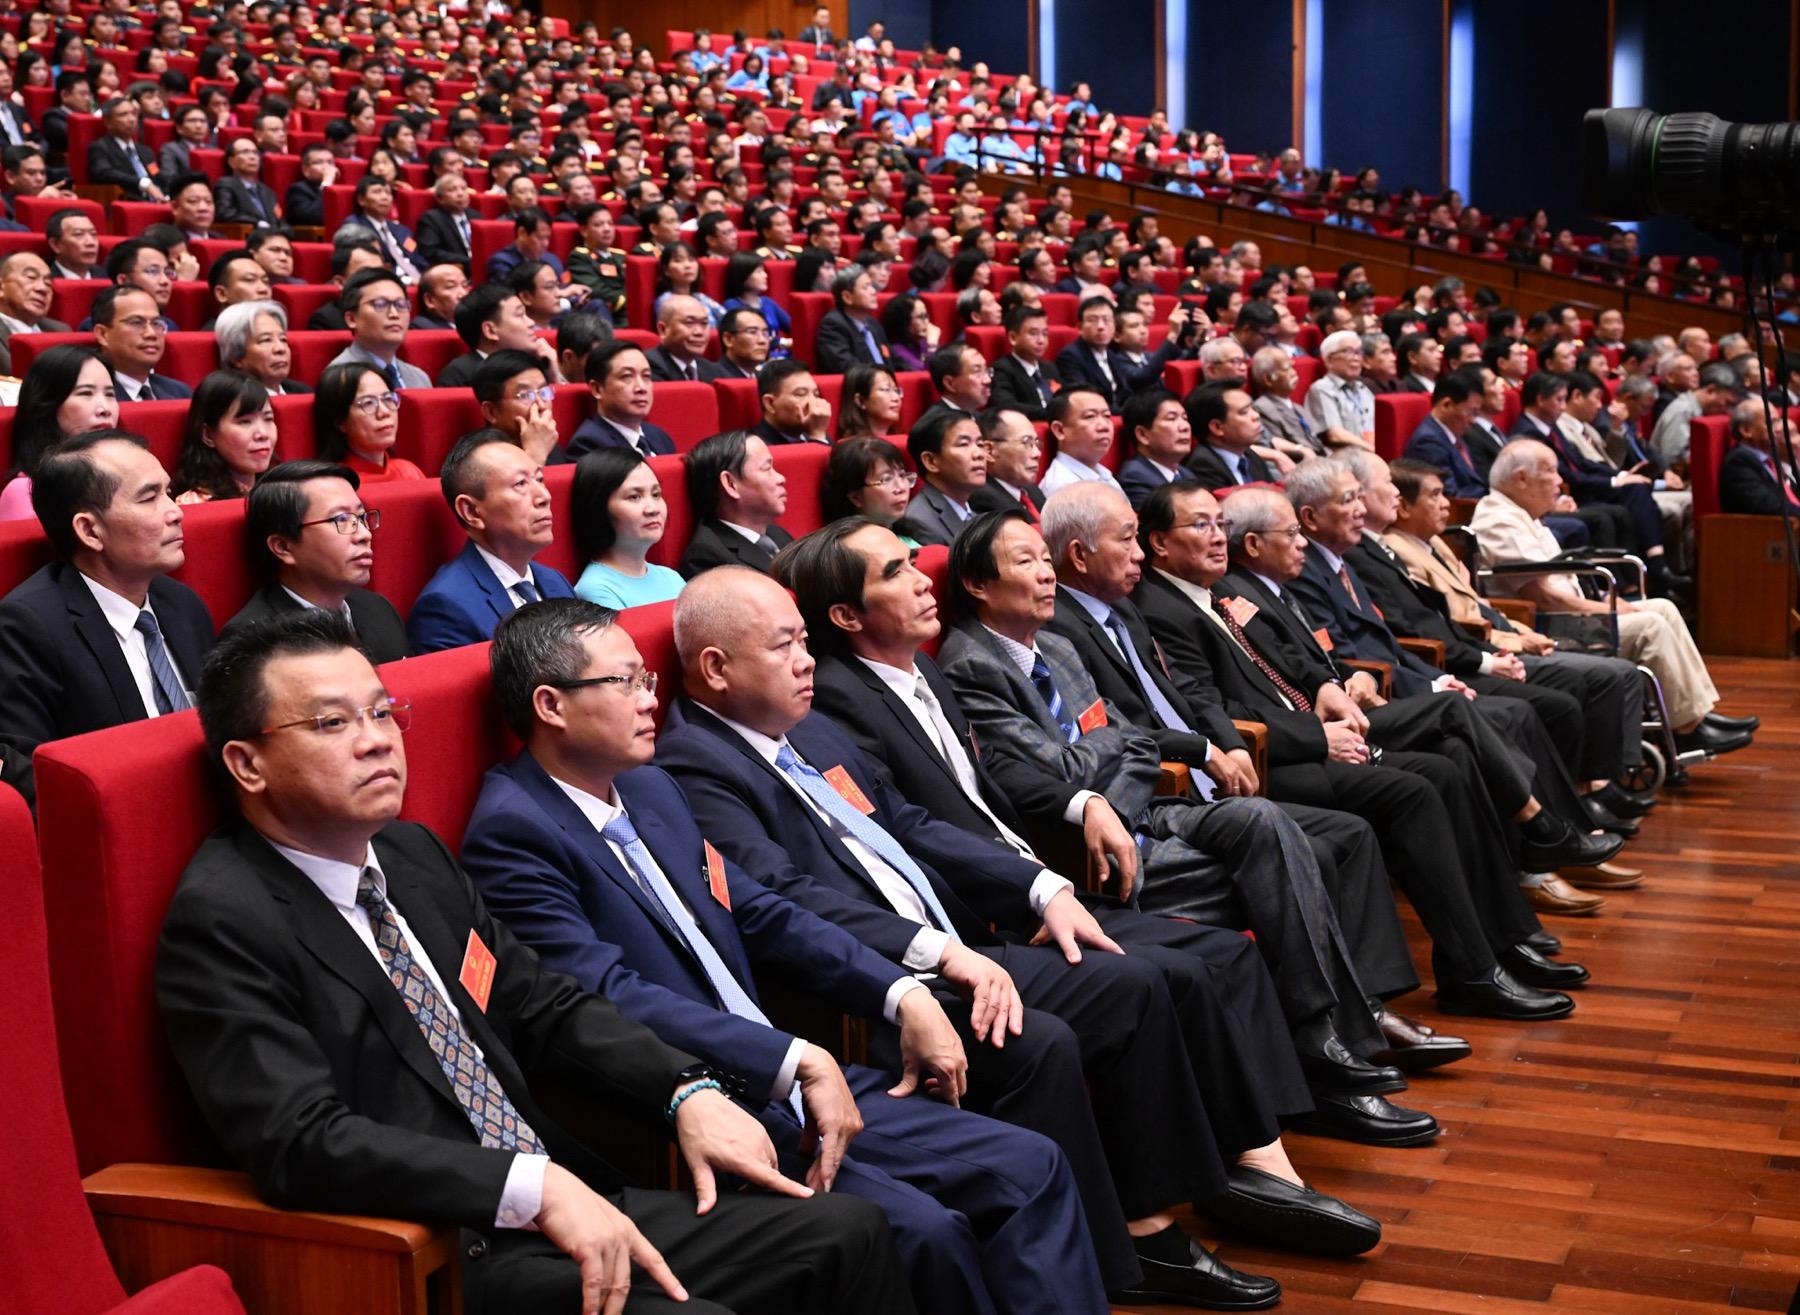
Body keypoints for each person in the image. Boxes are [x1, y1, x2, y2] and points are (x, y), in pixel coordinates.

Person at [657, 565, 1377, 1306]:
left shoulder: (806, 726)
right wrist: (938, 956)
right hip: (875, 983)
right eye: (784, 646)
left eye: (806, 642)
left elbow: (907, 823)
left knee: (1140, 982)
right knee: (1047, 1037)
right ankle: (1120, 1255)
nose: (807, 661)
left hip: (956, 939)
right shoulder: (695, 762)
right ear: (716, 667)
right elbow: (784, 899)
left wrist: (1042, 885)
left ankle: (1179, 1206)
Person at [159, 609, 911, 1315]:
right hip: (439, 1248)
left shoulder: (410, 856)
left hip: (565, 1193)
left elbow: (541, 1003)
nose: (377, 740)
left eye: (383, 713)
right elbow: (301, 1140)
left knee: (847, 1230)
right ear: (247, 764)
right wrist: (528, 1184)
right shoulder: (226, 917)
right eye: (333, 722)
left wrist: (684, 1088)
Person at [462, 599, 1114, 1315]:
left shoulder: (647, 788)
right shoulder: (515, 834)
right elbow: (608, 994)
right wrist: (791, 1056)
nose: (651, 699)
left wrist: (902, 992)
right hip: (702, 1105)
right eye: (624, 682)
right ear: (551, 705)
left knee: (1033, 1164)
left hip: (791, 1073)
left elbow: (762, 912)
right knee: (929, 1232)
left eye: (646, 678)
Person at [928, 508, 1440, 1147]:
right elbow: (1065, 769)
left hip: (1142, 812)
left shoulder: (1055, 644)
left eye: (1044, 558)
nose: (1046, 573)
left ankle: (1324, 1036)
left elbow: (1129, 735)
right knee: (1291, 873)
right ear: (978, 583)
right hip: (1091, 851)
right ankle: (1331, 1051)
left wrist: (1133, 759)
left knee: (1264, 822)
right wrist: (1116, 759)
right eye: (1025, 561)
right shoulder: (971, 664)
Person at [1132, 479, 1583, 1017]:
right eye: (1201, 525)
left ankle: (1498, 943)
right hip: (1277, 758)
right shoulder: (1162, 608)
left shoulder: (1219, 590)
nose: (1216, 536)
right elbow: (1213, 710)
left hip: (1314, 724)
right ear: (1160, 542)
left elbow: (1287, 658)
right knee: (1421, 780)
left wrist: (1328, 685)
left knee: (1451, 763)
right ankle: (1476, 961)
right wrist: (1318, 737)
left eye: (1220, 524)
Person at [1473, 440, 1755, 758]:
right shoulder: (1499, 520)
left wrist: (1602, 598)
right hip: (1548, 627)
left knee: (1664, 608)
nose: (1560, 480)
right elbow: (1544, 598)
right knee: (1650, 626)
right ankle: (1687, 731)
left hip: (1569, 616)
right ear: (1521, 479)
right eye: (1550, 471)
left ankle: (1696, 716)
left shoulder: (1523, 514)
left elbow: (1561, 580)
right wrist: (1607, 609)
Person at [0, 430, 214, 808]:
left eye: (168, 492)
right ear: (90, 530)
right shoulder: (28, 627)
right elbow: (31, 775)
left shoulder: (182, 604)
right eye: (149, 498)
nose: (175, 511)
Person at [223, 459, 410, 663]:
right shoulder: (254, 641)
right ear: (283, 547)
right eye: (341, 519)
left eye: (361, 517)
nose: (365, 534)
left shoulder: (378, 609)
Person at [407, 429, 574, 654]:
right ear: (471, 511)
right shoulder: (445, 608)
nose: (544, 496)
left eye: (539, 479)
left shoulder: (555, 581)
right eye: (520, 484)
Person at [0, 344, 118, 520]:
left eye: (110, 394)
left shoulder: (128, 475)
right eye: (86, 393)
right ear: (48, 404)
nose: (105, 409)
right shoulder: (25, 493)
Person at [569, 448, 684, 609]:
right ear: (598, 507)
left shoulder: (671, 577)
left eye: (656, 494)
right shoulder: (596, 589)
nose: (652, 509)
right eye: (634, 497)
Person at [680, 430, 791, 578]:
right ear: (730, 484)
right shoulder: (708, 558)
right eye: (766, 469)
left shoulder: (777, 534)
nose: (781, 478)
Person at [172, 369, 277, 503]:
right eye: (244, 422)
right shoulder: (195, 504)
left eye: (268, 419)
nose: (263, 434)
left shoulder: (284, 490)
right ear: (208, 435)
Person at [312, 361, 425, 484]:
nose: (384, 412)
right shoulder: (334, 484)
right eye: (368, 403)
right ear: (340, 421)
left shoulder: (409, 471)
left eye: (388, 399)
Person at [568, 340, 676, 460]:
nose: (641, 388)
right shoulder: (588, 445)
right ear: (597, 389)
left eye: (646, 376)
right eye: (627, 376)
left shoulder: (659, 436)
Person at [326, 267, 432, 389]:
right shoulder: (340, 378)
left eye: (401, 305)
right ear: (352, 319)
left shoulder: (419, 377)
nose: (394, 314)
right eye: (380, 304)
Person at [440, 283, 560, 390]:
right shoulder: (459, 375)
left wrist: (554, 376)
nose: (531, 323)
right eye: (519, 315)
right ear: (490, 331)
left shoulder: (536, 364)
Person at [903, 410, 987, 546]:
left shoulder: (977, 512)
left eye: (980, 444)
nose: (979, 454)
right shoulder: (920, 521)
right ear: (931, 461)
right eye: (964, 444)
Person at [92, 284, 190, 401]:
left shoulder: (179, 392)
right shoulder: (89, 396)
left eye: (156, 323)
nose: (151, 333)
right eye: (136, 322)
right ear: (103, 334)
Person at [1184, 383, 1280, 489]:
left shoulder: (1249, 455)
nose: (1256, 415)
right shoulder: (1204, 466)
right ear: (1217, 427)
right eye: (1244, 412)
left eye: (1252, 408)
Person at [1117, 387, 1196, 510]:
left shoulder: (1186, 474)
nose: (1185, 427)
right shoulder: (1135, 477)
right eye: (1171, 418)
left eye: (1185, 418)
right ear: (1143, 435)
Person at [1719, 397, 1800, 516]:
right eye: (1771, 423)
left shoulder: (1769, 457)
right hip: (1763, 526)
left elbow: (1792, 494)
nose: (1778, 429)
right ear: (1746, 431)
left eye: (1778, 422)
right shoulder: (1739, 461)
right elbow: (1766, 505)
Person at [1053, 297, 1131, 414]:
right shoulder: (1070, 356)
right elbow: (1083, 397)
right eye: (1093, 320)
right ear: (1080, 327)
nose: (1101, 326)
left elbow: (1125, 392)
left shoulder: (1111, 355)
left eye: (1107, 320)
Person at [216, 299, 308, 396]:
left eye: (283, 339)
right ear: (235, 357)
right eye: (266, 340)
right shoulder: (233, 401)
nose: (281, 348)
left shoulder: (303, 392)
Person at [988, 302, 1060, 422]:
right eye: (1033, 333)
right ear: (1013, 338)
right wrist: (1052, 413)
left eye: (1045, 333)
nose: (1041, 340)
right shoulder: (1002, 369)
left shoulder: (1050, 368)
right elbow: (1005, 406)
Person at [1304, 330, 1375, 448]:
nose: (1357, 358)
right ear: (1330, 360)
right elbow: (1335, 435)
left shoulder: (1363, 388)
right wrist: (1373, 450)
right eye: (1349, 352)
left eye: (1359, 352)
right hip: (1346, 454)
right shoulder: (1322, 389)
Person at [0, 251, 67, 374]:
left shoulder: (61, 331)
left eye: (48, 283)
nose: (43, 288)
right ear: (1, 287)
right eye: (31, 277)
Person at [814, 266, 891, 374]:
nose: (873, 291)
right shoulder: (833, 326)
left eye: (872, 286)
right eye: (866, 287)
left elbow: (892, 358)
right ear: (847, 297)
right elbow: (847, 366)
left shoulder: (873, 324)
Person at [87, 94, 164, 199]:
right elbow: (104, 173)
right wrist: (142, 183)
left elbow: (156, 174)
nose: (131, 119)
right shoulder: (100, 148)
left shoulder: (146, 151)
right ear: (108, 122)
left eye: (134, 114)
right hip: (129, 200)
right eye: (123, 115)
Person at [645, 293, 727, 384]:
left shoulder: (714, 370)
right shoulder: (647, 366)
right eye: (689, 323)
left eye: (704, 323)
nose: (699, 332)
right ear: (663, 329)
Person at [720, 251, 791, 353]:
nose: (765, 275)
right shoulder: (732, 305)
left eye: (764, 271)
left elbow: (793, 328)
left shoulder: (768, 302)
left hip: (781, 355)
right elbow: (748, 338)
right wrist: (782, 342)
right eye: (759, 272)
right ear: (743, 275)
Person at [753, 359, 833, 447]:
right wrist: (817, 436)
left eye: (816, 394)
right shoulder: (755, 446)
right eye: (801, 394)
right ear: (770, 403)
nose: (813, 402)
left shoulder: (814, 432)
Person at [415, 172, 477, 272]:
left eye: (463, 188)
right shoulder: (431, 219)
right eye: (452, 190)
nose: (460, 194)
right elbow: (431, 251)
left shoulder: (476, 216)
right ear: (440, 198)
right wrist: (469, 261)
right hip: (455, 269)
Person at [213, 135, 281, 226]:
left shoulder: (267, 191)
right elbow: (224, 213)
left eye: (255, 152)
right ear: (231, 162)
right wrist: (257, 223)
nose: (252, 157)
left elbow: (279, 220)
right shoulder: (226, 185)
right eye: (245, 152)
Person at [837, 363, 904, 439]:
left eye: (896, 391)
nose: (896, 398)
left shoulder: (901, 439)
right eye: (886, 390)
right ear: (860, 401)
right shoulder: (855, 445)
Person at [880, 293, 937, 373]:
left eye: (926, 316)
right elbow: (926, 373)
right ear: (903, 321)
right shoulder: (896, 350)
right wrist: (932, 345)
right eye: (920, 317)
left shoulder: (923, 342)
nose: (927, 322)